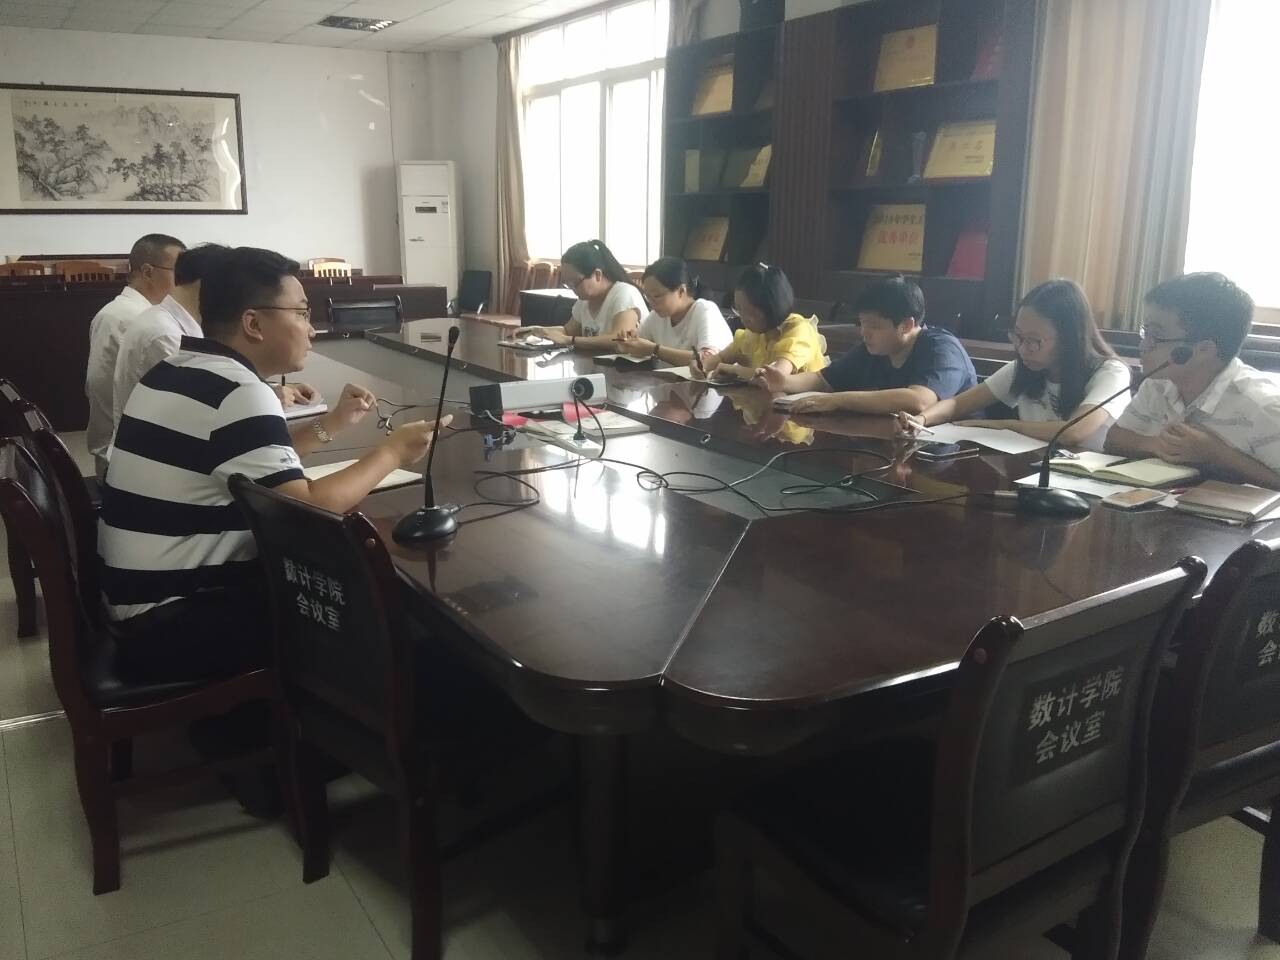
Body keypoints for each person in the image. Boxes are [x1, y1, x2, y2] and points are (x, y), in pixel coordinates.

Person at [98, 246, 449, 683]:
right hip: (171, 622)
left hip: (136, 601)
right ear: (253, 323)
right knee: (374, 607)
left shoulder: (180, 368)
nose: (312, 328)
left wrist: (333, 423)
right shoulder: (237, 391)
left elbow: (255, 469)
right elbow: (307, 509)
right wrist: (392, 452)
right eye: (301, 313)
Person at [896, 279, 1131, 448]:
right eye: (1018, 336)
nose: (1022, 348)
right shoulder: (1026, 367)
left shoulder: (1111, 373)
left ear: (1069, 339)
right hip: (1034, 472)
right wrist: (922, 420)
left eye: (1034, 341)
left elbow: (1073, 432)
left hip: (1091, 483)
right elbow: (957, 404)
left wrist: (1006, 425)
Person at [1105, 272, 1280, 487]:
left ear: (1204, 349)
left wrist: (1217, 453)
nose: (1142, 346)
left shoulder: (1263, 406)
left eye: (1156, 336)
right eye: (1145, 332)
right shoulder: (1159, 382)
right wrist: (1156, 444)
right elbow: (1114, 439)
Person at [756, 275, 975, 414]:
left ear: (907, 325)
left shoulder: (942, 349)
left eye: (874, 326)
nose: (864, 332)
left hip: (953, 455)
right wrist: (784, 381)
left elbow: (919, 401)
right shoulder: (875, 347)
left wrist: (837, 400)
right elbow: (824, 380)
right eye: (861, 323)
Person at [85, 233, 185, 478]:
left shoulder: (137, 313)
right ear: (148, 272)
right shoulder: (131, 318)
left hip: (129, 448)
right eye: (180, 272)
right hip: (126, 458)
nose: (185, 282)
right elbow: (99, 388)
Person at [692, 263, 827, 383]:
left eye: (747, 311)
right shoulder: (755, 333)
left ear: (769, 308)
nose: (742, 318)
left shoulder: (798, 331)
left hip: (805, 402)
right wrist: (703, 365)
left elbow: (775, 377)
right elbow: (722, 357)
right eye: (738, 309)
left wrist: (736, 370)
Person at [521, 240, 647, 349]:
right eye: (567, 284)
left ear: (597, 274)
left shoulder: (624, 293)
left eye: (575, 283)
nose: (573, 289)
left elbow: (620, 340)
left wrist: (570, 340)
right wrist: (537, 331)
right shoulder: (585, 299)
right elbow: (567, 331)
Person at [616, 256, 733, 366]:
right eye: (648, 297)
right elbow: (639, 343)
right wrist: (628, 345)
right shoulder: (657, 315)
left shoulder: (705, 310)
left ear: (681, 291)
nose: (651, 303)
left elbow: (708, 360)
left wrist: (655, 349)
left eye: (657, 296)